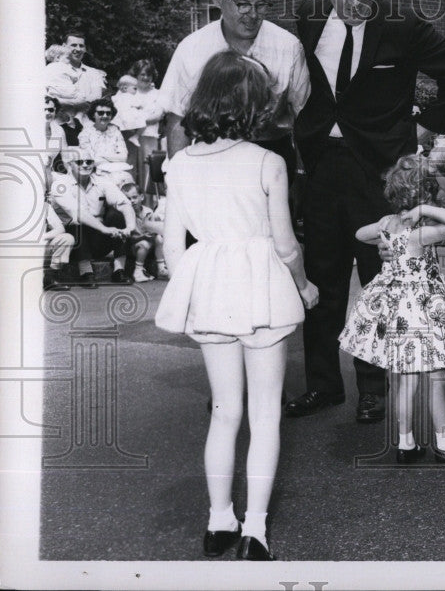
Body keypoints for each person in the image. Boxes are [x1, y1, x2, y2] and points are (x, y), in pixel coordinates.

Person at [289, 0, 445, 422]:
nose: (353, 2)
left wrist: (425, 127)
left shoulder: (401, 25)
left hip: (379, 171)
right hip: (324, 167)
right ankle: (323, 385)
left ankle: (373, 389)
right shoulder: (308, 20)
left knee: (380, 280)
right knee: (323, 279)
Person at [154, 50, 319, 561]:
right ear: (254, 106)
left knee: (225, 411)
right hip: (261, 285)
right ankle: (255, 531)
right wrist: (305, 285)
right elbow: (285, 244)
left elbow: (173, 248)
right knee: (266, 413)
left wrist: (197, 289)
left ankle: (217, 521)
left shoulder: (178, 164)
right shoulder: (268, 162)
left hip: (210, 286)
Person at [339, 154, 445, 465]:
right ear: (427, 193)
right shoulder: (421, 232)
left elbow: (358, 235)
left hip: (393, 307)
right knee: (436, 376)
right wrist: (425, 211)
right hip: (422, 307)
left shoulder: (388, 224)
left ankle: (406, 443)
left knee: (404, 379)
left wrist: (385, 242)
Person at [161, 0, 310, 187]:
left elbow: (304, 117)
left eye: (261, 5)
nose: (253, 14)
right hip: (210, 157)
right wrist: (178, 180)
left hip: (271, 156)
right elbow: (177, 118)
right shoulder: (191, 49)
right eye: (243, 4)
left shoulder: (288, 47)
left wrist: (303, 176)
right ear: (218, 0)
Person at [47, 148, 136, 286]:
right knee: (76, 223)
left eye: (88, 161)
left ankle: (119, 271)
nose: (85, 165)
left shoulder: (102, 181)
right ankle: (86, 273)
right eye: (79, 162)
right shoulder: (60, 185)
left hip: (98, 239)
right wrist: (104, 229)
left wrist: (130, 227)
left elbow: (124, 203)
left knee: (116, 215)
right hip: (75, 244)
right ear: (69, 165)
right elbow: (78, 213)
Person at [45, 30, 107, 121]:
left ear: (85, 49)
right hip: (58, 122)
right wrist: (75, 103)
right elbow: (44, 98)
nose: (78, 49)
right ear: (64, 46)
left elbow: (96, 98)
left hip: (85, 124)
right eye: (73, 45)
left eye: (81, 46)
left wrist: (61, 101)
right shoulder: (51, 71)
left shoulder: (94, 73)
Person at [129, 59, 166, 193]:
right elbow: (121, 113)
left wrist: (136, 118)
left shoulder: (158, 94)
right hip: (129, 136)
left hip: (149, 136)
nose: (145, 78)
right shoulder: (128, 92)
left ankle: (148, 206)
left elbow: (156, 116)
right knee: (130, 170)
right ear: (136, 75)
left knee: (148, 171)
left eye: (149, 74)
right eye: (142, 74)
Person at [78, 98, 131, 182]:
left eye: (108, 113)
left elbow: (124, 157)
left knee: (127, 180)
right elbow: (93, 160)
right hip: (96, 173)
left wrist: (101, 155)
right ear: (93, 115)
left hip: (118, 171)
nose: (105, 116)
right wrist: (114, 158)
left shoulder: (115, 131)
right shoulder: (85, 134)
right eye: (101, 113)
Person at [120, 182, 164, 283]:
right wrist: (142, 236)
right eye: (128, 199)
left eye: (134, 197)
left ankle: (161, 267)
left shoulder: (148, 211)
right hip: (134, 246)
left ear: (142, 197)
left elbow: (154, 229)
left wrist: (154, 230)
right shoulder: (125, 214)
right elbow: (128, 238)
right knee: (144, 243)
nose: (132, 201)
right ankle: (138, 270)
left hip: (149, 244)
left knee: (159, 238)